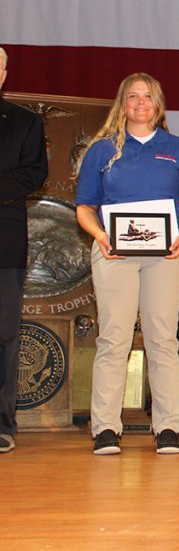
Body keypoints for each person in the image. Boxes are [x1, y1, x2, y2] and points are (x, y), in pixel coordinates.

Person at [75, 73, 179, 455]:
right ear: (122, 103)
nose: (141, 103)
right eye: (133, 96)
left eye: (148, 96)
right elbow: (84, 208)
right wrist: (100, 236)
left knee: (163, 339)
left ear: (159, 104)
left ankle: (167, 428)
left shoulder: (178, 149)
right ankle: (106, 428)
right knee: (114, 338)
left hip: (166, 256)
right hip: (114, 254)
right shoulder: (102, 150)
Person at [0, 47, 48, 454]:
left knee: (4, 334)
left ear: (3, 74)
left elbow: (34, 172)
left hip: (5, 240)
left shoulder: (25, 122)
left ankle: (2, 424)